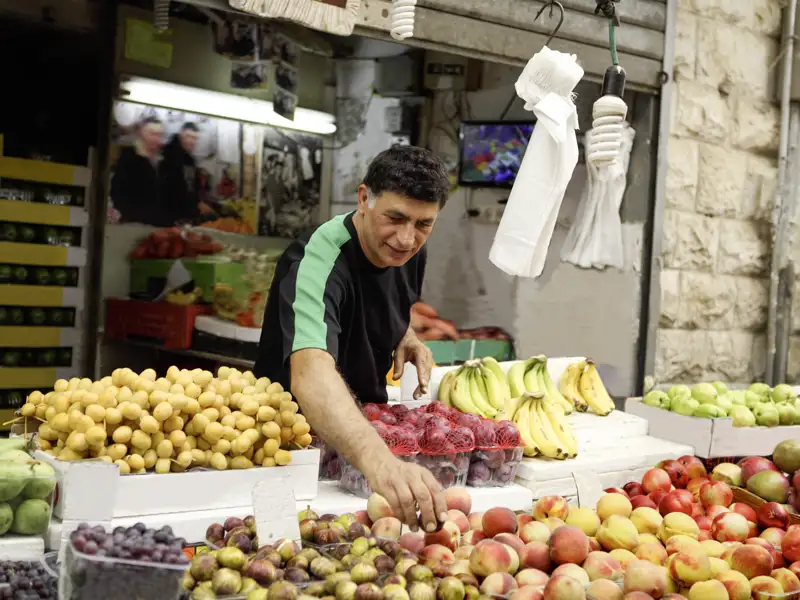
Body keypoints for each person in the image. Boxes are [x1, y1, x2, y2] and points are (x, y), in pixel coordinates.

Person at [254, 146, 450, 532]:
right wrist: (380, 461)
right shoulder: (316, 260)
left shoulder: (409, 252)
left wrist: (402, 331)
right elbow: (311, 372)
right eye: (395, 218)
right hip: (294, 449)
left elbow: (380, 294)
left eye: (424, 224)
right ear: (363, 199)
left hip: (358, 450)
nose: (407, 239)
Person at [110, 117, 168, 226]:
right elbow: (118, 192)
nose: (156, 139)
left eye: (159, 135)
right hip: (134, 223)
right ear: (142, 134)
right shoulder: (129, 158)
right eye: (152, 134)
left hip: (157, 223)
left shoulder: (162, 161)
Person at [159, 122, 203, 224]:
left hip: (185, 217)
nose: (191, 141)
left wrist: (196, 205)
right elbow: (167, 189)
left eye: (194, 138)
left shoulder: (190, 160)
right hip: (168, 216)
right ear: (180, 135)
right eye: (188, 136)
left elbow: (191, 187)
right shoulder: (166, 156)